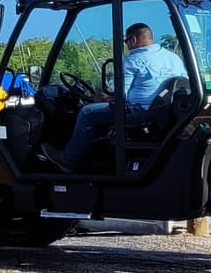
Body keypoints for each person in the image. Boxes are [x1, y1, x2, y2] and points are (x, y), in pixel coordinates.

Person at [54, 22, 187, 169]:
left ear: (133, 40)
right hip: (166, 113)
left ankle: (68, 161)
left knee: (87, 112)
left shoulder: (133, 60)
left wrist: (99, 98)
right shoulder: (174, 58)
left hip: (140, 112)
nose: (126, 45)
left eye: (126, 41)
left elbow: (117, 94)